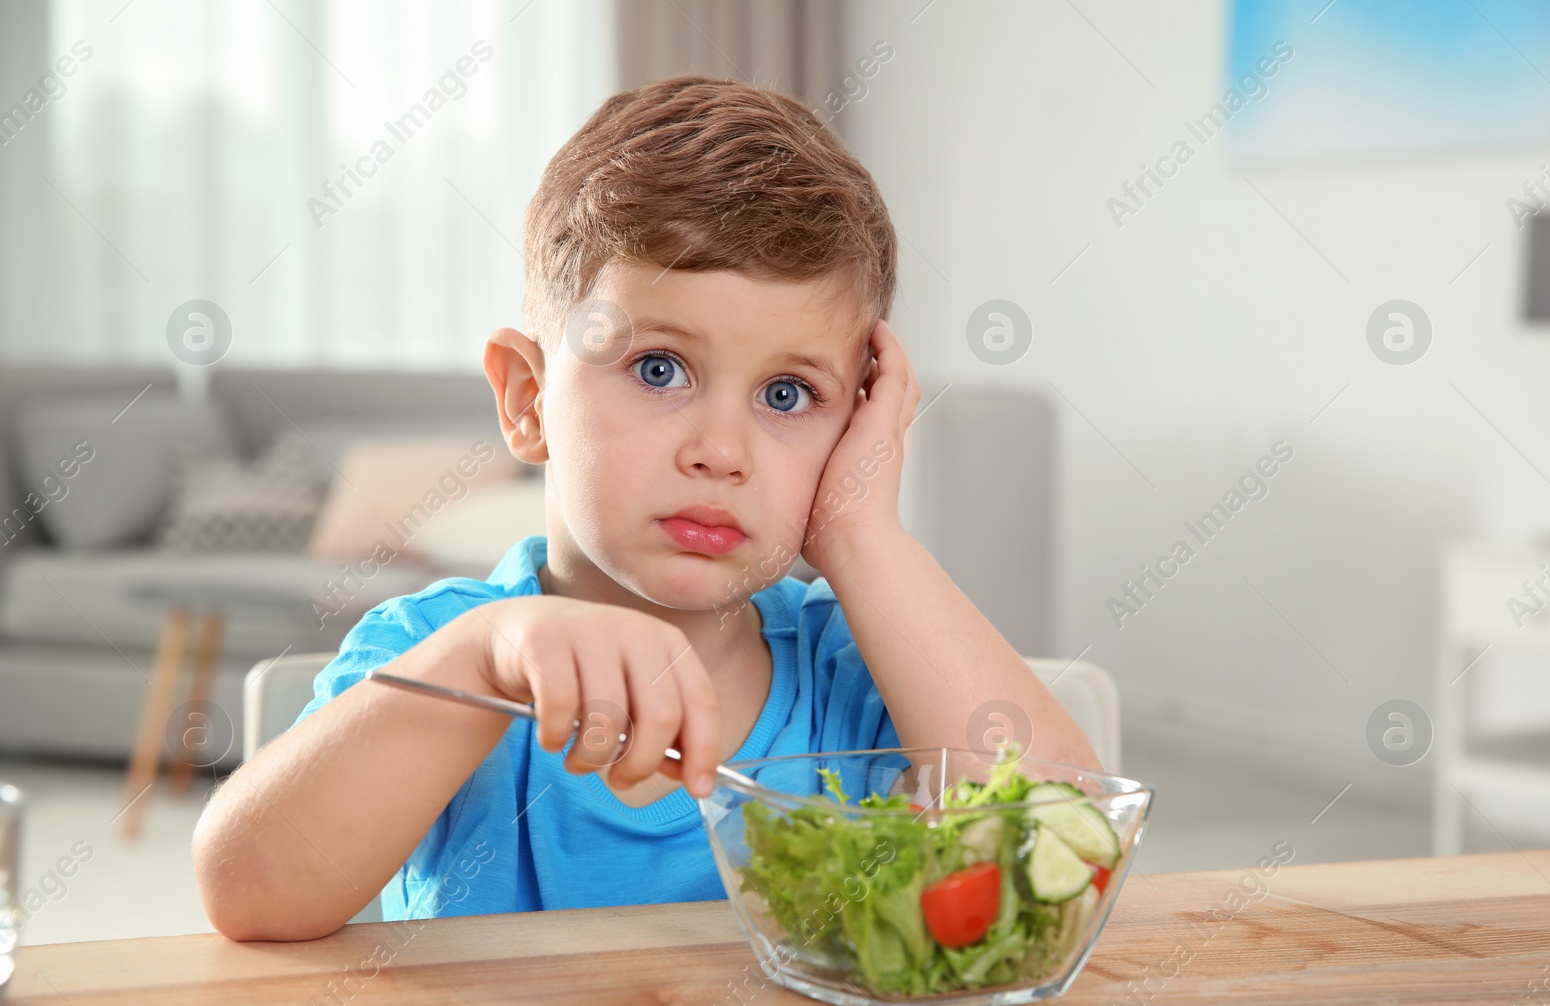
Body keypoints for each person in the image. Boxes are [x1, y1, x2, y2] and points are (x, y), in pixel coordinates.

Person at [193, 75, 1098, 942]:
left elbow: (1069, 850)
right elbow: (248, 888)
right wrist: (482, 666)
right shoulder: (444, 654)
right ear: (528, 398)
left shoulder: (851, 671)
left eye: (787, 395)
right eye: (659, 369)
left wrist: (862, 533)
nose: (721, 449)